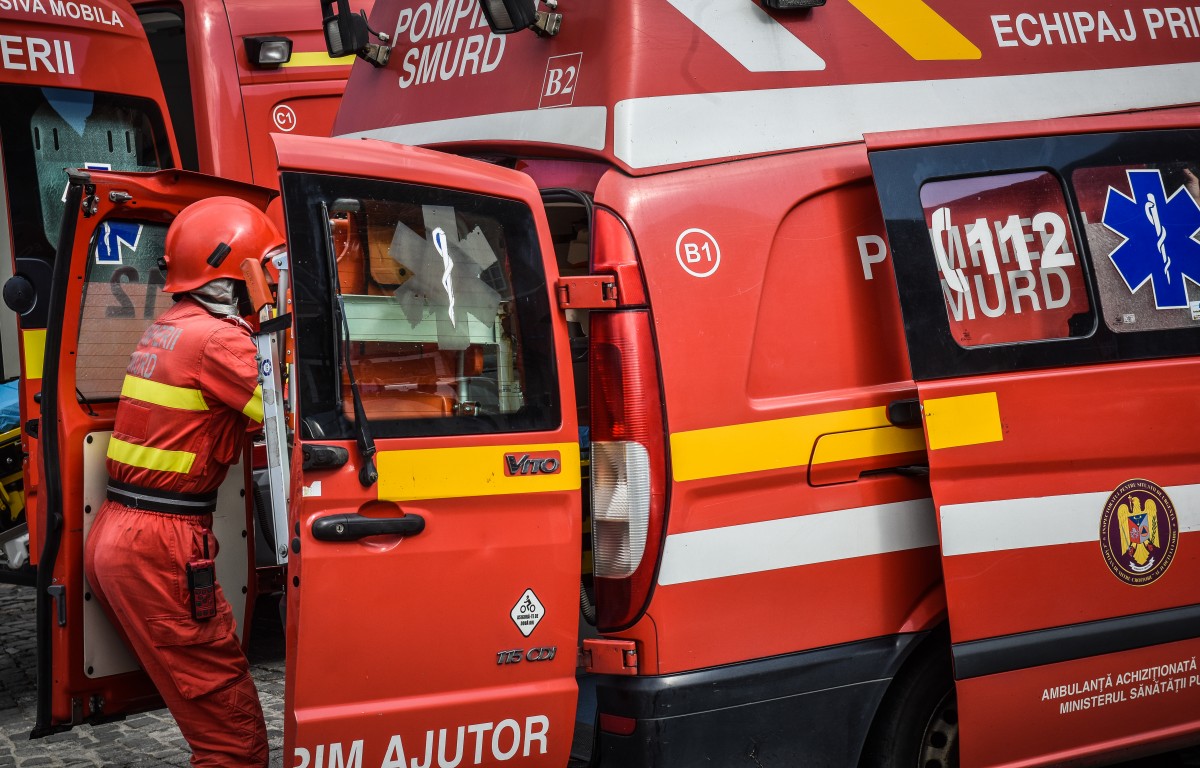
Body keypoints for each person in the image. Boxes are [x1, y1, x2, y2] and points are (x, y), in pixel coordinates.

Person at [84, 196, 284, 768]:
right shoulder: (221, 342)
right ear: (238, 274)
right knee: (232, 739)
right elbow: (289, 418)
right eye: (264, 270)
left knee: (205, 712)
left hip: (126, 533)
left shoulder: (169, 329)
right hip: (161, 546)